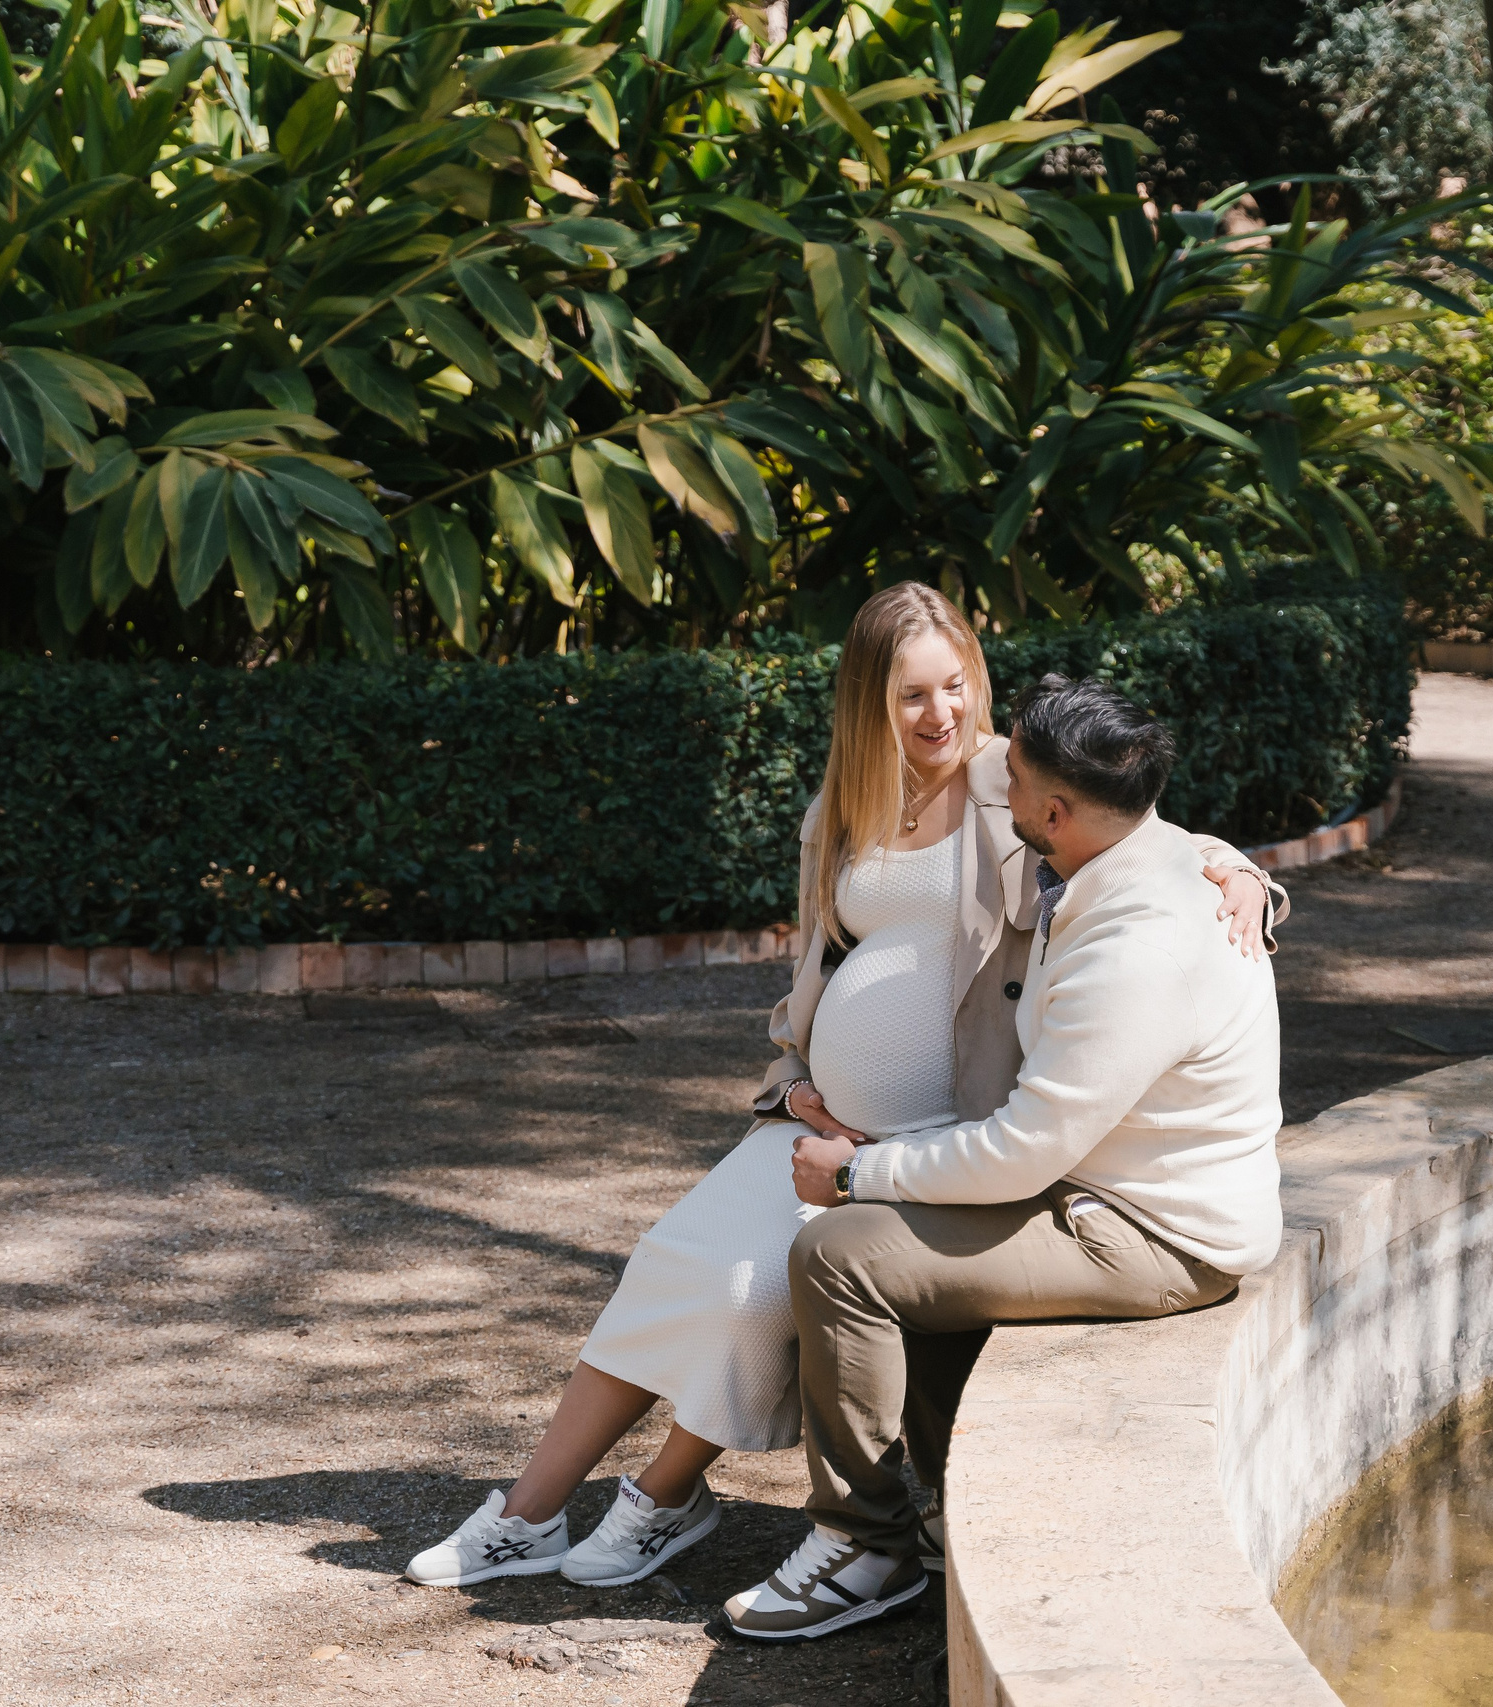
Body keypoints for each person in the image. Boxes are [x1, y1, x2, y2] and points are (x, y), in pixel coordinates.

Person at [403, 587, 1286, 1591]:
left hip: (945, 1130)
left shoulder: (1017, 781)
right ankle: (529, 1514)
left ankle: (664, 1500)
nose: (941, 714)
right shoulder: (841, 809)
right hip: (827, 1121)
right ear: (869, 701)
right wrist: (794, 1088)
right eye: (912, 695)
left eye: (956, 686)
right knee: (673, 1260)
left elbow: (1146, 831)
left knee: (753, 1290)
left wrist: (1245, 876)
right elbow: (812, 978)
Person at [718, 673, 1286, 1642]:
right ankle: (935, 1513)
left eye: (1011, 774)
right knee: (899, 1234)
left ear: (1053, 813)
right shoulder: (1146, 855)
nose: (995, 777)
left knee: (841, 1255)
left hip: (1155, 1235)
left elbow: (1022, 1152)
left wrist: (855, 1171)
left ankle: (865, 1542)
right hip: (1100, 1186)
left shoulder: (1138, 942)